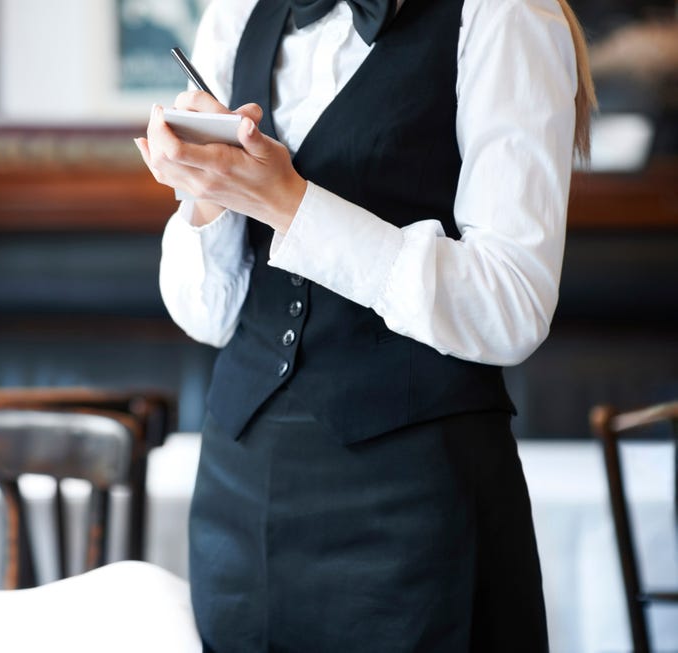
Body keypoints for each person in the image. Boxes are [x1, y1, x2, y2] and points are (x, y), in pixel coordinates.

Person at [135, 0, 596, 650]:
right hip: (240, 501)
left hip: (419, 512)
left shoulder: (505, 13)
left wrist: (290, 203)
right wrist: (209, 191)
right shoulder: (237, 14)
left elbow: (514, 304)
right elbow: (205, 314)